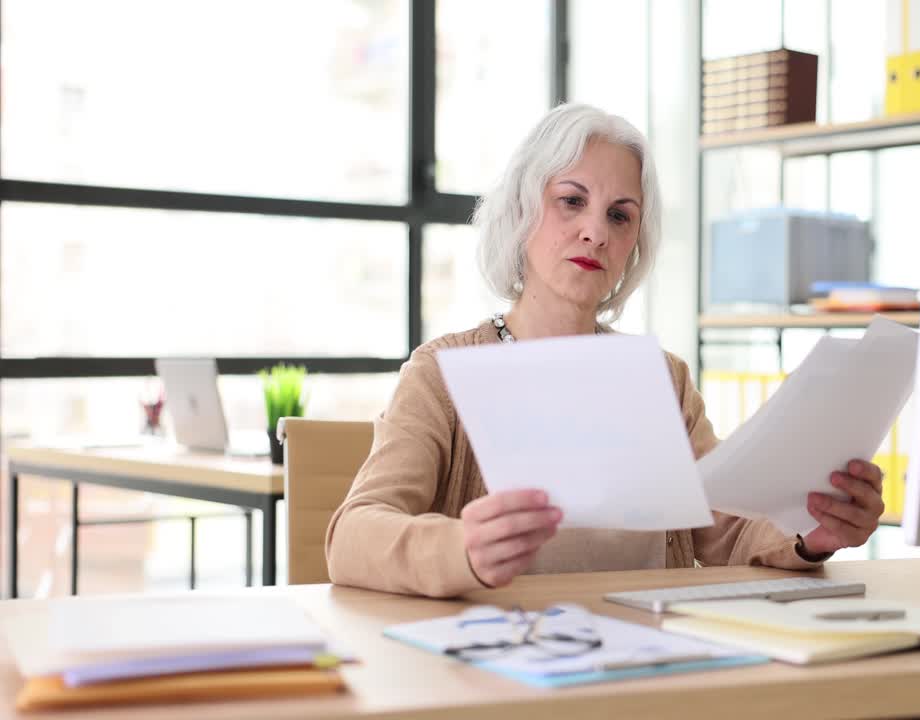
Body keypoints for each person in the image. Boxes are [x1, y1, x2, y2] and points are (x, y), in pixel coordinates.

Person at [325, 103, 886, 598]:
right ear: (522, 212)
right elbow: (351, 537)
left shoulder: (664, 379)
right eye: (572, 201)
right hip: (503, 662)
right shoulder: (441, 375)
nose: (596, 232)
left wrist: (812, 536)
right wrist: (461, 549)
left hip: (649, 660)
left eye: (620, 215)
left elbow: (726, 532)